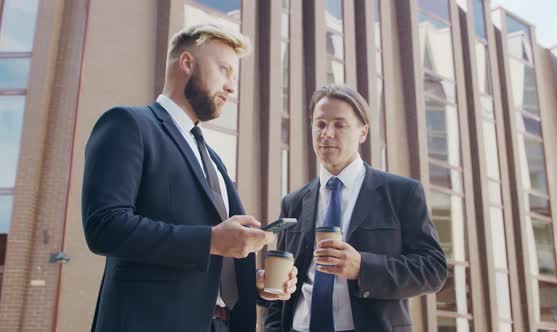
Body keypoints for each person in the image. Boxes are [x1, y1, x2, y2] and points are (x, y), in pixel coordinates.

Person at [82, 24, 296, 332]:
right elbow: (104, 226)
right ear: (187, 63)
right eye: (224, 70)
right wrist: (211, 239)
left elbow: (213, 263)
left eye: (233, 76)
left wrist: (255, 286)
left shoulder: (213, 158)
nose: (231, 87)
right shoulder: (128, 124)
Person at [263, 84, 447, 332]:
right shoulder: (294, 202)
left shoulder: (401, 193)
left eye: (340, 125)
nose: (326, 133)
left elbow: (433, 269)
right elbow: (281, 284)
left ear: (363, 132)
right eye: (319, 124)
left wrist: (363, 268)